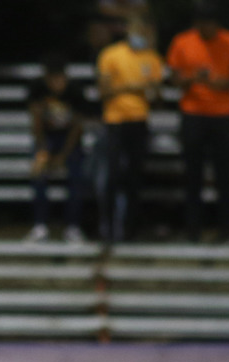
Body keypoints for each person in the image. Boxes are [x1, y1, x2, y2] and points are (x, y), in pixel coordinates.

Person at [166, 2, 229, 242]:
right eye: (203, 22)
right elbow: (173, 79)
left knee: (225, 173)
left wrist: (224, 82)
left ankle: (227, 229)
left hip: (222, 114)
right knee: (193, 174)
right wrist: (193, 78)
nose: (207, 27)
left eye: (211, 22)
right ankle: (193, 230)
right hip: (193, 113)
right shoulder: (183, 42)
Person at [96, 17, 163, 243]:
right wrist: (134, 87)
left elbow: (156, 95)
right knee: (111, 177)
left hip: (139, 121)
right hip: (115, 121)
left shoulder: (151, 58)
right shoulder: (111, 55)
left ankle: (130, 229)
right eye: (136, 30)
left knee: (134, 178)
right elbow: (104, 91)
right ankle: (107, 226)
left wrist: (147, 91)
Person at [24, 55, 88, 243]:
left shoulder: (75, 90)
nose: (56, 83)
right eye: (52, 79)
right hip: (47, 137)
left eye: (59, 78)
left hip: (68, 140)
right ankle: (40, 225)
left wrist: (63, 155)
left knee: (77, 177)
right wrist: (43, 150)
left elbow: (77, 127)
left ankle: (73, 226)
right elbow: (36, 121)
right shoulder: (37, 88)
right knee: (38, 174)